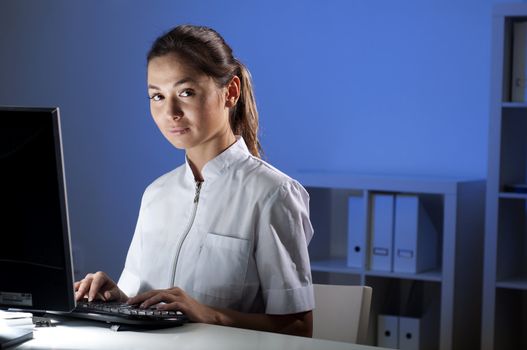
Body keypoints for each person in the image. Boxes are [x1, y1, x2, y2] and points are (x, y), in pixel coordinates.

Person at [74, 24, 314, 337]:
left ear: (230, 92)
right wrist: (115, 300)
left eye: (185, 92)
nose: (170, 111)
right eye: (157, 96)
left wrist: (208, 315)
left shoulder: (274, 194)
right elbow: (141, 300)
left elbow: (299, 328)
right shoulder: (156, 194)